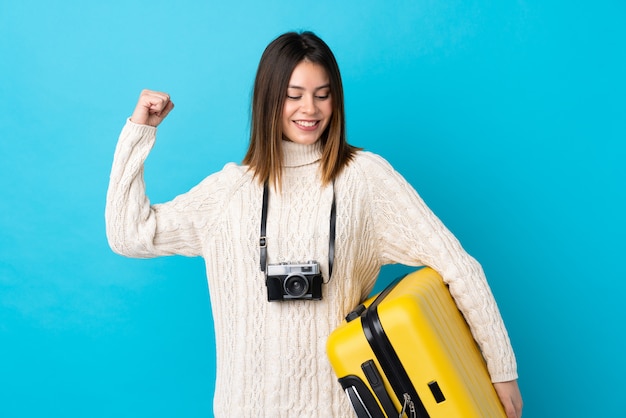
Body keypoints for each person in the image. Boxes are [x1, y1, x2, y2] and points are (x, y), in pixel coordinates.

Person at [105, 31, 523, 417]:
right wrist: (139, 131)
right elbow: (129, 235)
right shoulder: (229, 191)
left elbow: (458, 267)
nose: (310, 109)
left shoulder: (365, 179)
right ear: (269, 99)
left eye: (322, 95)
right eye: (294, 95)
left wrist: (501, 370)